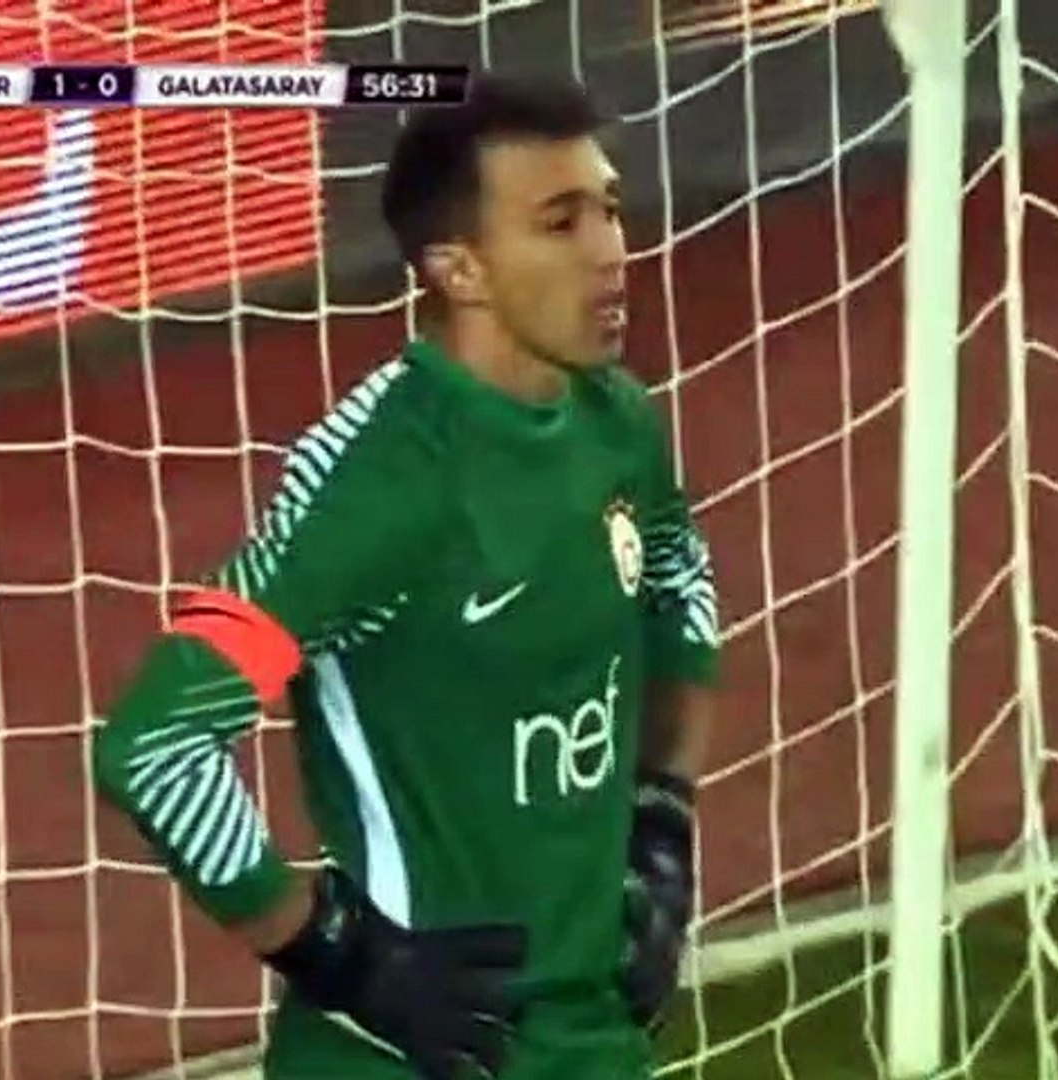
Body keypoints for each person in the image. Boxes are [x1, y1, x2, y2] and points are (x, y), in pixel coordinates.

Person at [89, 71, 721, 1080]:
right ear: (458, 268)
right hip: (410, 1058)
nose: (610, 249)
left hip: (591, 1037)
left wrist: (663, 822)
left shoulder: (618, 423)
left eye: (609, 208)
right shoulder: (379, 485)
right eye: (560, 223)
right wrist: (333, 952)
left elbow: (680, 582)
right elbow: (155, 745)